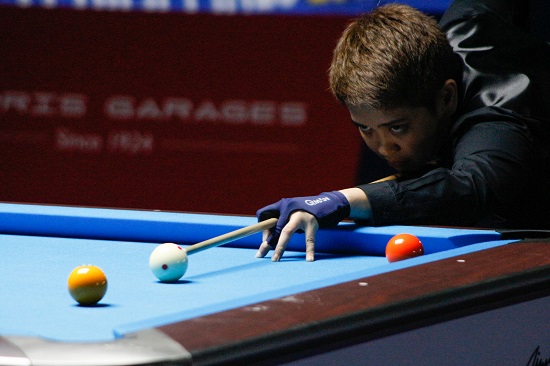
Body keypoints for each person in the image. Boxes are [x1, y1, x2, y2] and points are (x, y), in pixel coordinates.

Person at [255, 0, 550, 262]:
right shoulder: (455, 24)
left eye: (397, 127)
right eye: (365, 128)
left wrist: (342, 200)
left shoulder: (499, 116)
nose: (383, 147)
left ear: (446, 98)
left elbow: (472, 187)